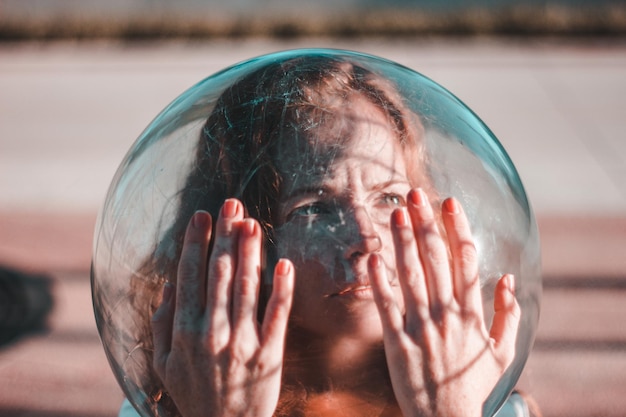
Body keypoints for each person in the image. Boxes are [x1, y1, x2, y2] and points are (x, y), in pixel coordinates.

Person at [118, 55, 536, 417]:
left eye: (389, 198)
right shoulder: (160, 409)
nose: (365, 238)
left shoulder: (492, 406)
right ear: (240, 246)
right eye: (313, 208)